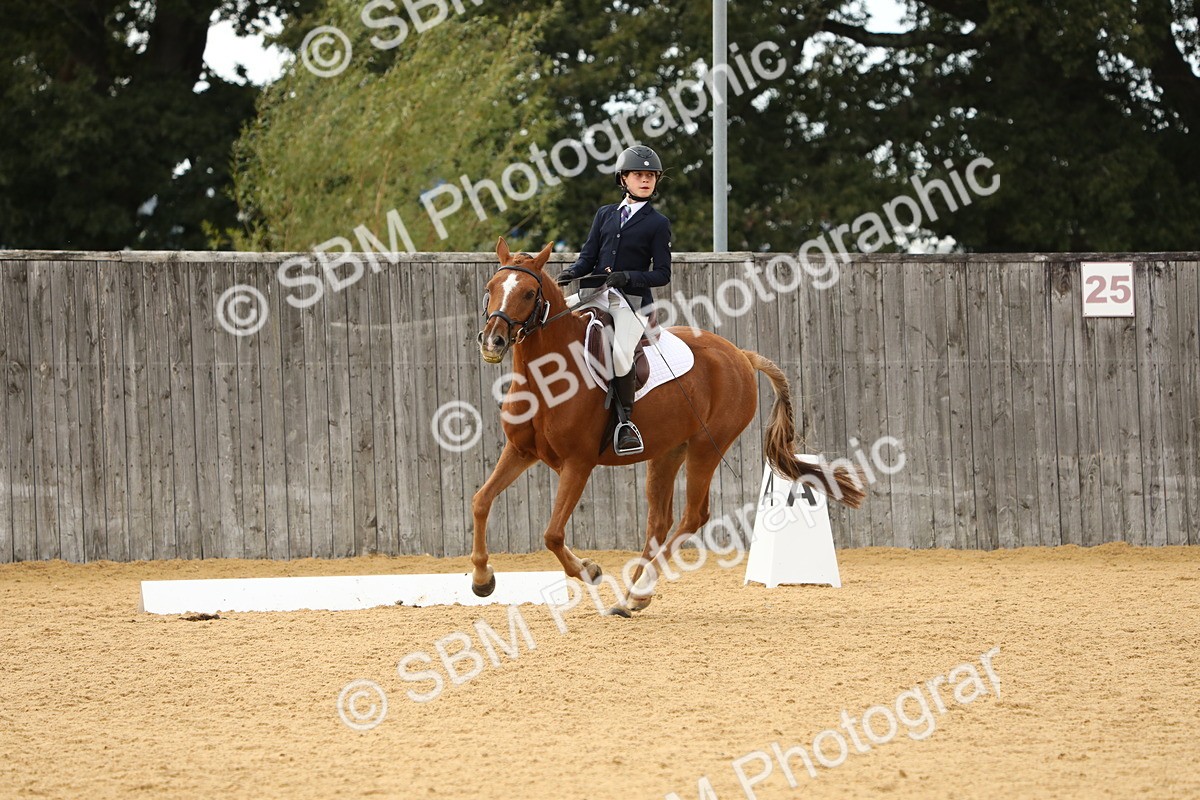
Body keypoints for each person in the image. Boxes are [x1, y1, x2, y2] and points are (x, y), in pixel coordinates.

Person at [556, 144, 672, 456]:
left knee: (621, 355)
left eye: (651, 176)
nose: (646, 180)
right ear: (623, 179)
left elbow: (662, 274)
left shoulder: (657, 223)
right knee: (548, 319)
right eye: (639, 175)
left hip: (631, 302)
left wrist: (630, 276)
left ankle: (625, 424)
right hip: (595, 293)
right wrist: (570, 273)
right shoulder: (605, 214)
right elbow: (588, 256)